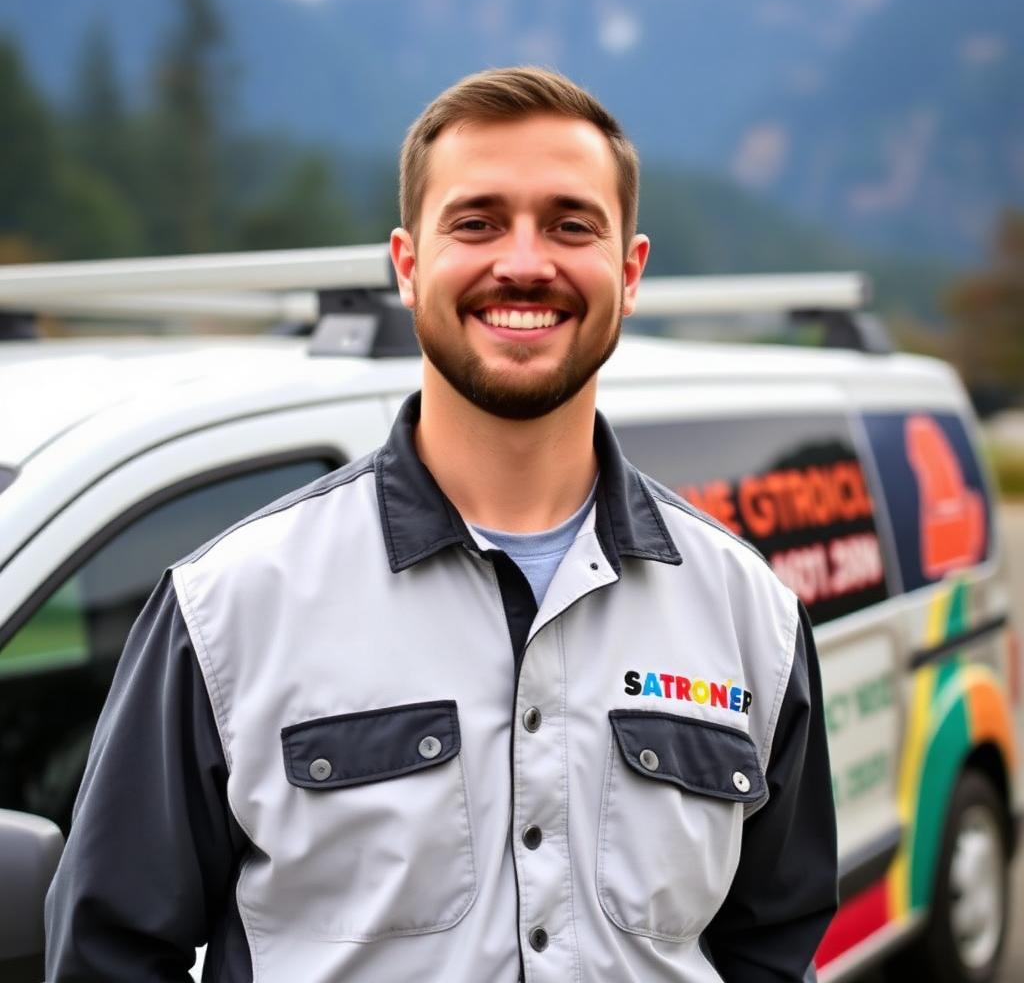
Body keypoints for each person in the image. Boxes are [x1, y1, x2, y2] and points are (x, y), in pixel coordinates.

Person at [46, 67, 837, 982]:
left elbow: (774, 948)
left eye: (571, 225)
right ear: (408, 264)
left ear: (629, 272)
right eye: (477, 223)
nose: (525, 262)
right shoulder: (227, 609)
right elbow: (107, 955)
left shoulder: (752, 617)